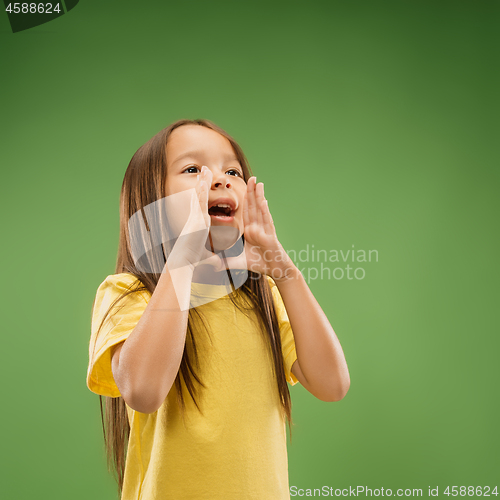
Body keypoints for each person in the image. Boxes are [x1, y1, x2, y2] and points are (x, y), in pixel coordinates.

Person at [86, 118, 350, 500]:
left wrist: (284, 271)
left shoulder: (260, 297)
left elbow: (333, 384)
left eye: (233, 171)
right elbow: (143, 391)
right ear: (152, 204)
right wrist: (185, 257)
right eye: (193, 169)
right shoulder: (128, 293)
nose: (221, 179)